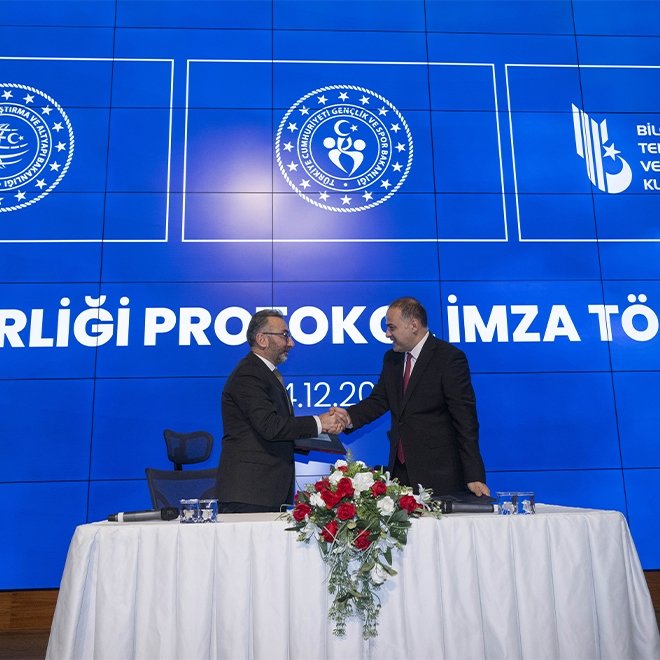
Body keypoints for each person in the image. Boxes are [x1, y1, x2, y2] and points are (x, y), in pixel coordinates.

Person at [336, 297, 490, 498]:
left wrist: (474, 474)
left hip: (441, 476)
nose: (387, 333)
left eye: (391, 327)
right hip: (400, 474)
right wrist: (347, 417)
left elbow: (465, 420)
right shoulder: (392, 359)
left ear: (414, 325)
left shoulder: (449, 358)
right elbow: (379, 400)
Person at [216, 309, 346, 513]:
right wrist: (319, 423)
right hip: (250, 492)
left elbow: (277, 430)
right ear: (262, 339)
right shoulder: (249, 375)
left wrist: (321, 432)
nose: (291, 343)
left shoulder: (265, 373)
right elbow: (271, 427)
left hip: (266, 491)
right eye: (284, 335)